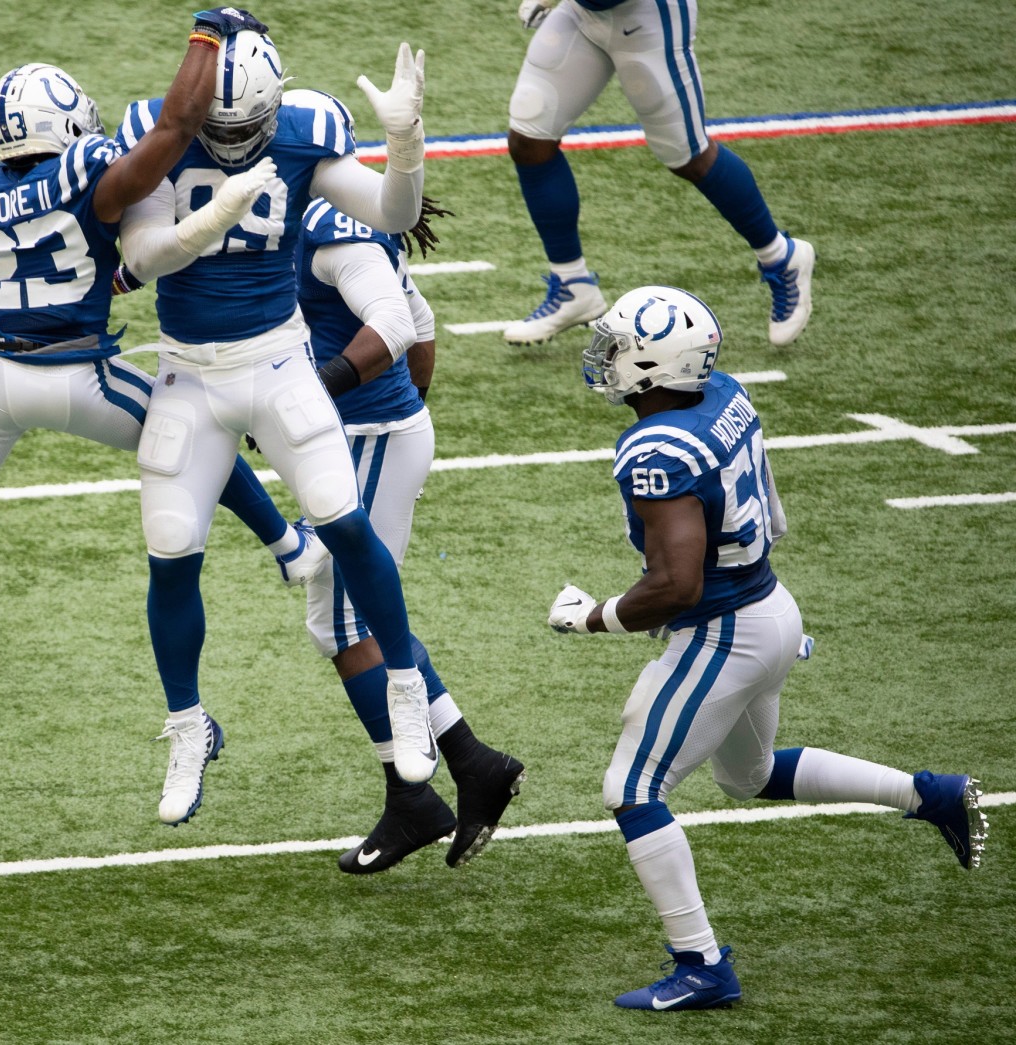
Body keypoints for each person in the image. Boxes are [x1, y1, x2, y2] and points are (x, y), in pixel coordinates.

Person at [0, 9, 301, 755]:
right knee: (199, 427)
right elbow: (174, 129)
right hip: (83, 374)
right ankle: (289, 549)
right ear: (65, 122)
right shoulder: (86, 173)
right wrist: (207, 37)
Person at [546, 285, 987, 1011]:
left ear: (656, 366)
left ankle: (701, 963)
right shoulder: (722, 392)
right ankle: (929, 793)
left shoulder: (657, 448)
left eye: (621, 348)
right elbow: (769, 512)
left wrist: (593, 617)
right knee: (746, 778)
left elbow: (677, 584)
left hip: (723, 631)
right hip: (769, 608)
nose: (609, 358)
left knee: (631, 789)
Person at [113, 22, 448, 827]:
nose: (232, 145)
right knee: (169, 548)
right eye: (216, 130)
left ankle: (405, 685)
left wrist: (405, 145)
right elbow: (142, 253)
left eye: (247, 129)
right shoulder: (159, 132)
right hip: (188, 371)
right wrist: (205, 222)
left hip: (276, 363)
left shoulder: (303, 130)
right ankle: (189, 726)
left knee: (341, 516)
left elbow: (392, 214)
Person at [294, 196, 526, 872]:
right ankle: (468, 763)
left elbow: (399, 327)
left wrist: (351, 402)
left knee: (343, 626)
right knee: (358, 619)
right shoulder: (321, 215)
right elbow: (423, 329)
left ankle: (414, 793)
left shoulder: (323, 228)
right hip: (371, 436)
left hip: (367, 437)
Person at [503, 0, 815, 348]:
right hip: (583, 12)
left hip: (647, 13)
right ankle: (572, 284)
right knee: (530, 138)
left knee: (687, 155)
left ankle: (781, 257)